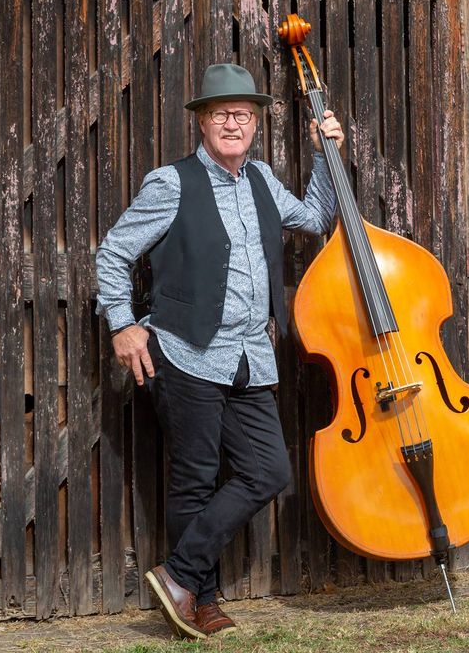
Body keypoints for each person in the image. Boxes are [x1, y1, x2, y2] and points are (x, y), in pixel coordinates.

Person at [95, 63, 343, 638]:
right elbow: (113, 253)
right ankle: (200, 600)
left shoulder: (260, 179)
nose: (234, 123)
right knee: (195, 478)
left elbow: (314, 217)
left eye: (244, 115)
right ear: (202, 122)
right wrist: (123, 326)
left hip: (250, 354)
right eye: (222, 114)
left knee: (268, 470)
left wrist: (327, 155)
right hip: (186, 349)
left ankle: (179, 573)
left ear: (255, 123)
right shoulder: (171, 182)